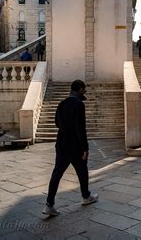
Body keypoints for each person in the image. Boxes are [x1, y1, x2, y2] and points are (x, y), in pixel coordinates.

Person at [43, 80, 98, 216]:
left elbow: (57, 123)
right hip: (76, 146)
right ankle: (86, 196)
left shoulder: (61, 104)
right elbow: (81, 128)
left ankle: (49, 205)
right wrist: (85, 148)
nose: (85, 91)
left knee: (56, 174)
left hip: (61, 144)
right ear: (79, 89)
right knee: (82, 172)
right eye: (84, 89)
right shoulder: (79, 105)